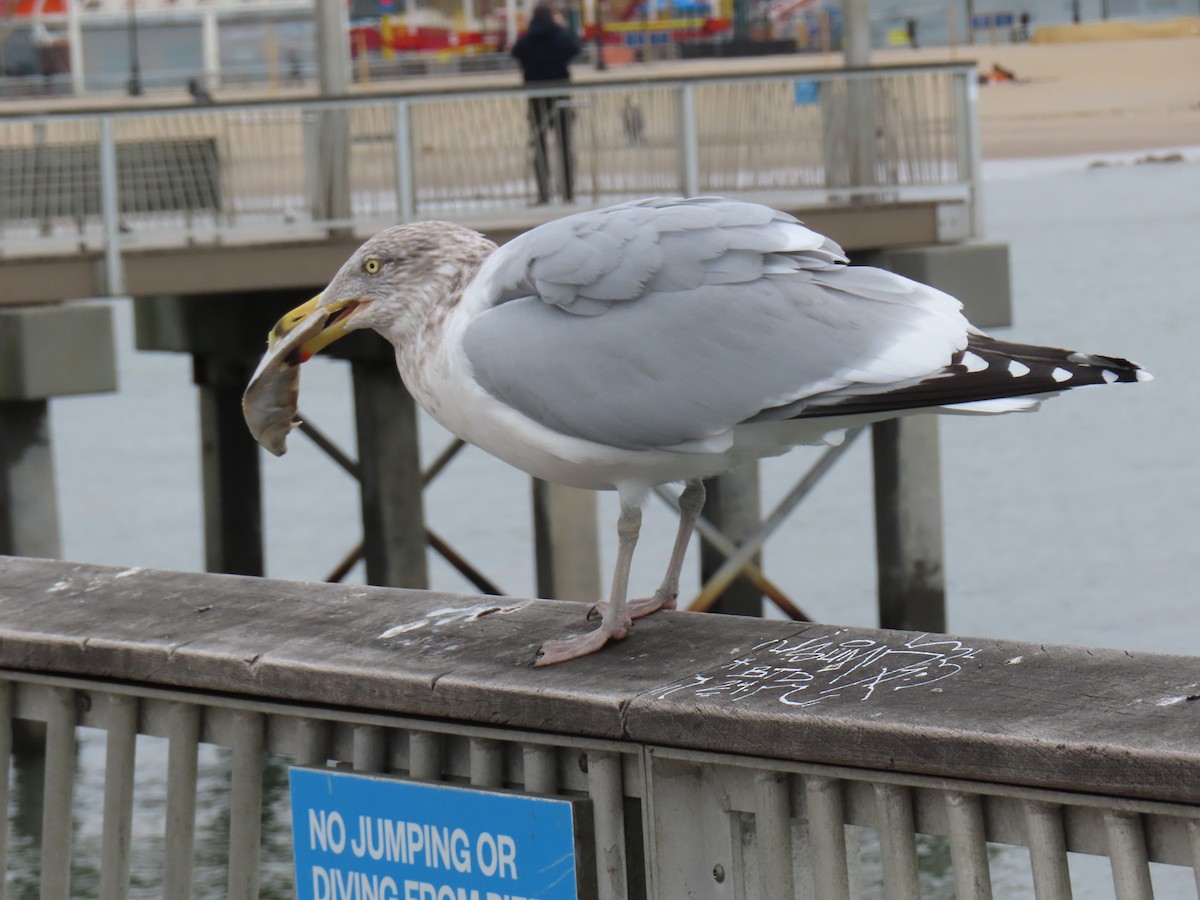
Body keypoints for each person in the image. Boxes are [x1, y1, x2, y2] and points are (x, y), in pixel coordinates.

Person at [511, 5, 582, 204]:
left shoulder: (528, 39)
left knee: (539, 149)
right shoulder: (561, 37)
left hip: (536, 100)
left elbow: (516, 52)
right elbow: (575, 47)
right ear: (553, 17)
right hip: (561, 98)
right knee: (565, 146)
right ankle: (568, 193)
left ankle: (543, 194)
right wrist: (561, 28)